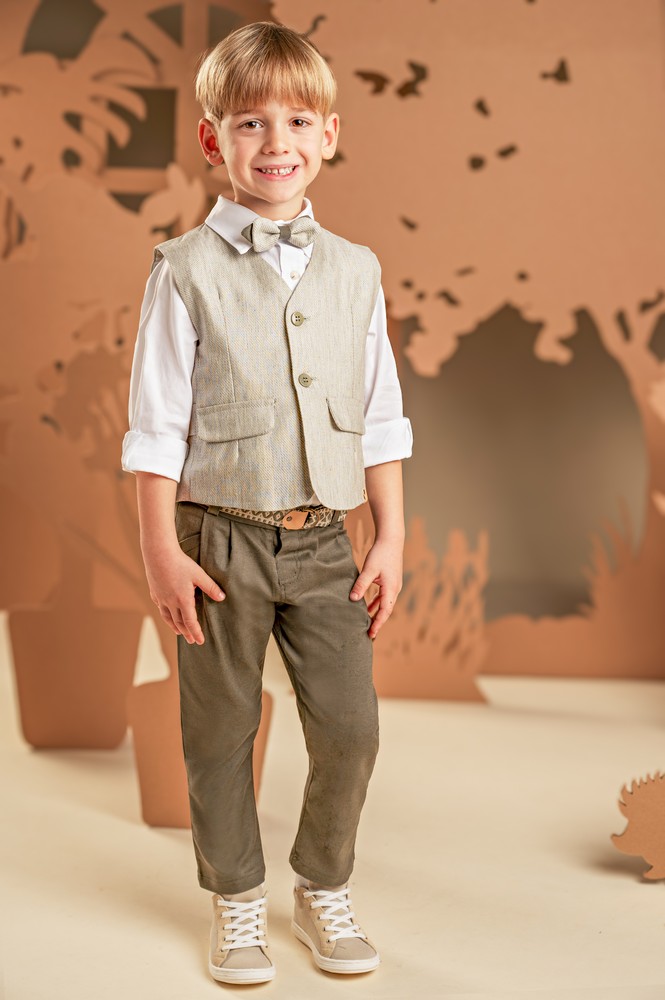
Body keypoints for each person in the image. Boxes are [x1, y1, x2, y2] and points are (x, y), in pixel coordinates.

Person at [121, 20, 413, 986]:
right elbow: (155, 427)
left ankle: (320, 884)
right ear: (214, 140)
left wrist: (390, 536)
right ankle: (236, 898)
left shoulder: (357, 270)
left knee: (351, 729)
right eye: (249, 123)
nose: (275, 142)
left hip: (325, 541)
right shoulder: (182, 270)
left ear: (328, 134)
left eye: (295, 121)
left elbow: (379, 416)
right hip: (216, 541)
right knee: (219, 731)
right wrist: (161, 552)